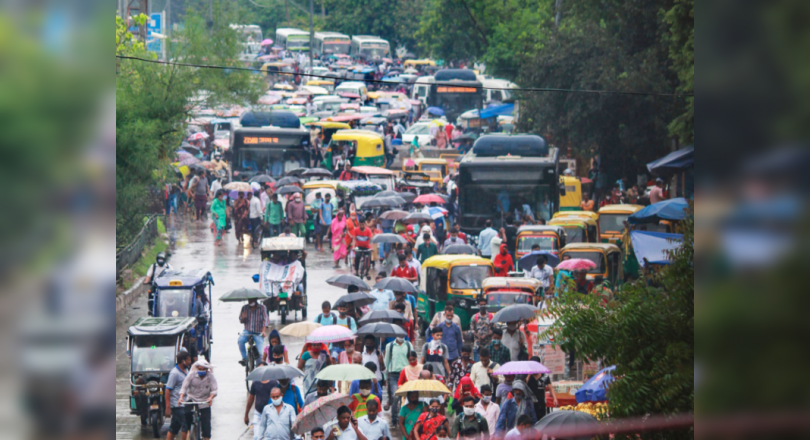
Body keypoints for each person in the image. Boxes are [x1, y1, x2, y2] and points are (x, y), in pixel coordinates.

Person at [178, 360, 217, 440]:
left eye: (203, 369)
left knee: (206, 423)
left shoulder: (210, 377)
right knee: (186, 419)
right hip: (192, 399)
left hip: (204, 400)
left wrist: (211, 397)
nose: (201, 371)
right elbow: (184, 387)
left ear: (206, 370)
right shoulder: (191, 375)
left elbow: (214, 390)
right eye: (200, 369)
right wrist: (181, 397)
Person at [383, 335, 414, 423]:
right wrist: (385, 377)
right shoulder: (390, 346)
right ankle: (394, 419)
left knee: (406, 397)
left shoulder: (409, 345)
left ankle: (405, 417)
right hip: (393, 375)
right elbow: (386, 362)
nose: (401, 336)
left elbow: (412, 360)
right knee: (395, 396)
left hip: (406, 374)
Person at [245, 363, 280, 440]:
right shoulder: (255, 383)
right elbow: (250, 399)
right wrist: (246, 414)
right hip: (258, 413)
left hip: (270, 414)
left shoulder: (274, 383)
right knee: (257, 437)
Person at [165, 351, 192, 440]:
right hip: (177, 404)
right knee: (185, 424)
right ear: (183, 361)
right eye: (188, 360)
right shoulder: (174, 373)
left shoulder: (186, 370)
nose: (190, 362)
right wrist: (168, 407)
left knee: (174, 427)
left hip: (184, 402)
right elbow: (168, 390)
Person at [237, 298, 268, 366]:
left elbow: (265, 321)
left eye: (252, 300)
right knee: (240, 341)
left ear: (255, 299)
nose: (250, 301)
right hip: (247, 331)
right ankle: (245, 358)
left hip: (258, 332)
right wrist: (243, 318)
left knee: (259, 353)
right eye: (249, 300)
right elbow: (241, 320)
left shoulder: (262, 308)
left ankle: (259, 367)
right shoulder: (244, 308)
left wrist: (263, 331)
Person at [527, 356, 558, 421]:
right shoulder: (528, 376)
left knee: (541, 421)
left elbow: (550, 388)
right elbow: (524, 384)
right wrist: (529, 374)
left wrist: (555, 399)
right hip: (530, 404)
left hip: (541, 404)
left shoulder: (545, 376)